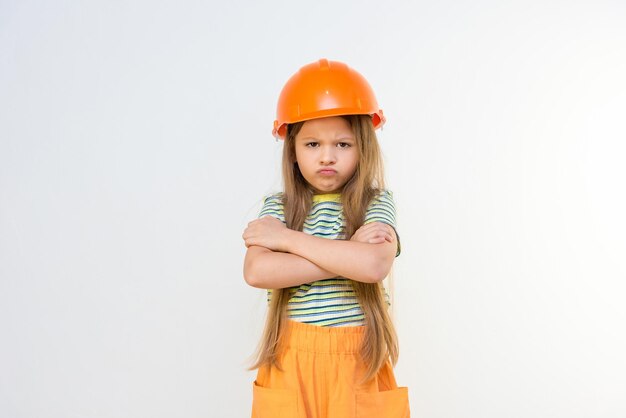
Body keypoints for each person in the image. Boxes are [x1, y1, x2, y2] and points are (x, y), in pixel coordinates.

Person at [242, 58, 410, 418]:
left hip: (358, 363)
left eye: (343, 144)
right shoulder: (278, 207)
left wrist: (287, 240)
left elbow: (373, 264)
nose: (328, 156)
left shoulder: (376, 203)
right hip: (289, 361)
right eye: (313, 144)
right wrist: (346, 256)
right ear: (293, 152)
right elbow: (257, 271)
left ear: (363, 147)